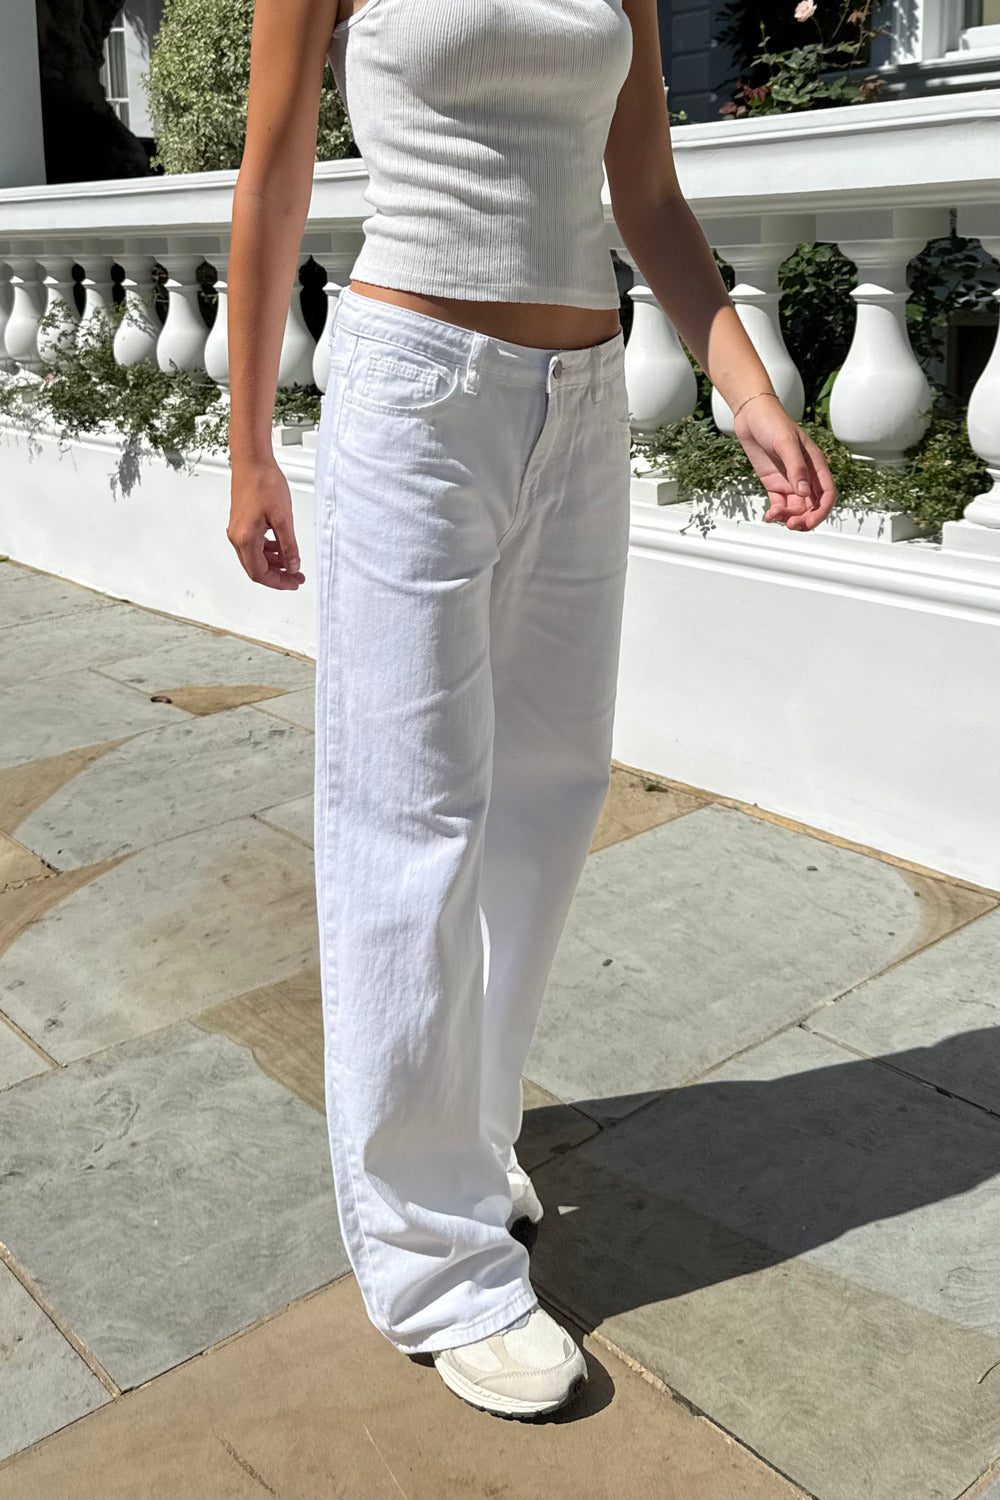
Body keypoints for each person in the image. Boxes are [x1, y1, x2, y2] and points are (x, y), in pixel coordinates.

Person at [226, 0, 838, 1421]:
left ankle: (468, 1139)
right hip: (414, 393)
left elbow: (648, 194)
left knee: (550, 794)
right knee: (411, 814)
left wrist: (744, 385)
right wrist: (251, 445)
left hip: (582, 396)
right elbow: (274, 175)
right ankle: (433, 1264)